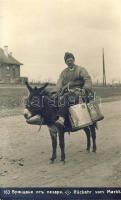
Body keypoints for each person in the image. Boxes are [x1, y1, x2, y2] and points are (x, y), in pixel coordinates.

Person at [55, 52, 93, 127]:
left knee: (66, 97)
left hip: (79, 92)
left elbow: (87, 79)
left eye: (70, 60)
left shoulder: (80, 69)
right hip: (67, 92)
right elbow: (59, 82)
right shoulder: (64, 72)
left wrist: (85, 89)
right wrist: (55, 92)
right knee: (56, 99)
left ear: (74, 60)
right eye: (67, 61)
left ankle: (61, 118)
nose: (69, 62)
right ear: (65, 62)